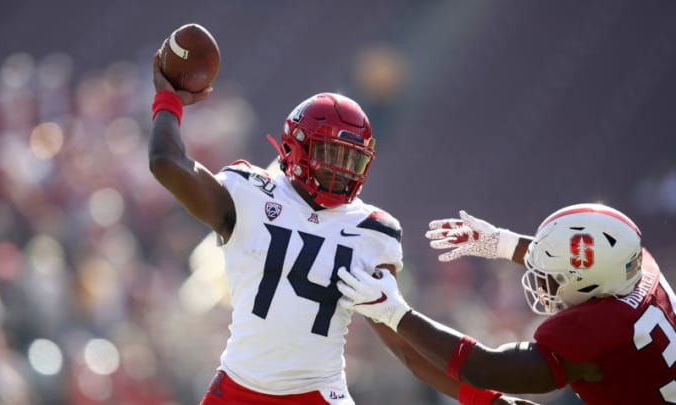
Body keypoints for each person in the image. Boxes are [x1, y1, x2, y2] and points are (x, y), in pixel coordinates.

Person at [147, 48, 532, 405]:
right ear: (296, 145)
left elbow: (405, 349)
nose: (342, 170)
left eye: (353, 160)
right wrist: (170, 100)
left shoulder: (371, 231)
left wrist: (488, 401)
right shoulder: (248, 192)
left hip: (319, 394)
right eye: (331, 153)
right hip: (237, 389)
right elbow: (166, 162)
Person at [337, 202, 676, 404]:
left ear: (591, 284)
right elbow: (582, 262)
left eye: (553, 274)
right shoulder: (636, 267)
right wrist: (501, 243)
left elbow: (483, 368)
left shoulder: (600, 327)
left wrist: (397, 314)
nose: (543, 278)